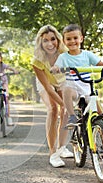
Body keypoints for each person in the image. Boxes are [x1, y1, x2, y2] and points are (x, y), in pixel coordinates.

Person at [53, 24, 103, 127]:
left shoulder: (87, 55)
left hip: (87, 88)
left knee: (98, 110)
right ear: (64, 41)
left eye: (75, 38)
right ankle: (72, 116)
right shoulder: (63, 57)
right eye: (68, 39)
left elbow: (101, 65)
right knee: (66, 90)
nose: (72, 41)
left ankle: (102, 131)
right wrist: (55, 69)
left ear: (81, 39)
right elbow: (56, 67)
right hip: (73, 90)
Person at [31, 25, 73, 168]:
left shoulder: (65, 53)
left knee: (66, 112)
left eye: (53, 39)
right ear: (40, 43)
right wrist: (63, 103)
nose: (50, 44)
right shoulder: (37, 61)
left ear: (58, 39)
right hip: (46, 84)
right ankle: (52, 153)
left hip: (61, 81)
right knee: (53, 109)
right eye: (45, 41)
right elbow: (48, 89)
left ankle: (62, 147)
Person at [0, 52, 19, 126]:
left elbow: (9, 67)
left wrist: (14, 70)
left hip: (3, 82)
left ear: (1, 59)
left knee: (6, 98)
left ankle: (8, 117)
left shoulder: (3, 65)